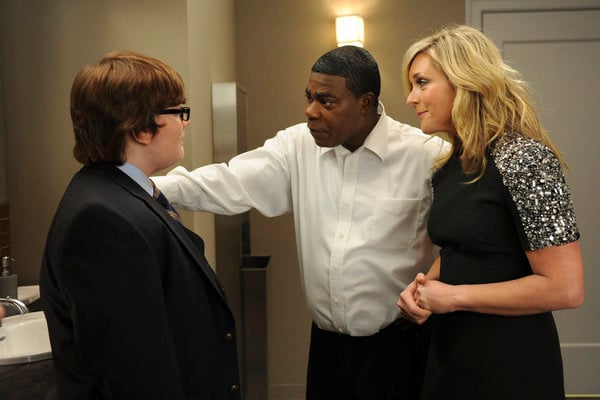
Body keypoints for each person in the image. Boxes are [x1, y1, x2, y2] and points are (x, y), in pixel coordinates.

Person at [153, 45, 446, 399]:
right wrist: (144, 187)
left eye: (326, 101)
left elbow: (462, 244)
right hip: (325, 348)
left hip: (400, 349)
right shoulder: (296, 147)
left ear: (365, 102)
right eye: (309, 97)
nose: (311, 111)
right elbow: (226, 181)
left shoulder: (426, 156)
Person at [396, 25, 585, 400]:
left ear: (464, 82)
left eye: (421, 83)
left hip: (510, 361)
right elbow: (459, 249)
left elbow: (566, 288)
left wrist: (456, 297)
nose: (410, 98)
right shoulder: (450, 164)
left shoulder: (525, 159)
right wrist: (422, 289)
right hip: (452, 354)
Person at [39, 51, 241, 399]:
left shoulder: (122, 196)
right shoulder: (101, 220)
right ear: (140, 129)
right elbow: (136, 374)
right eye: (179, 111)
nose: (185, 122)